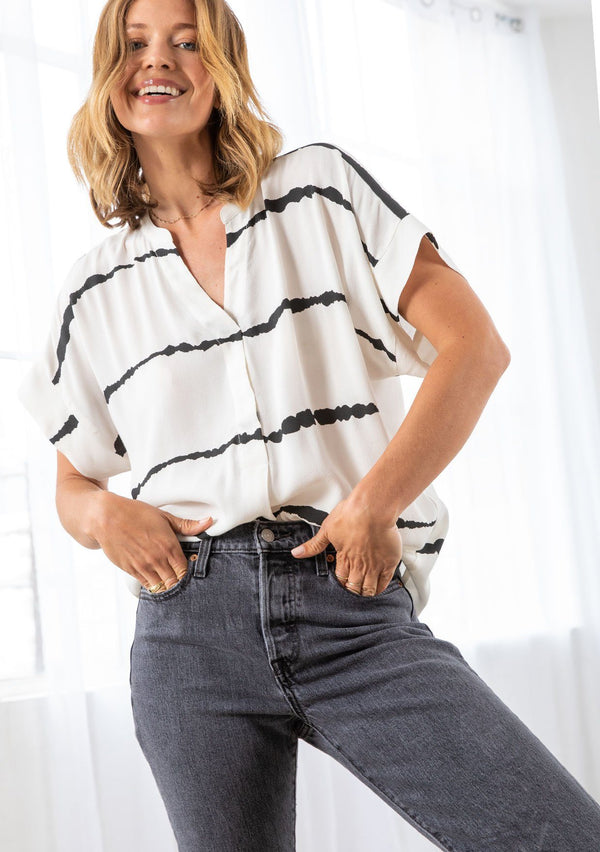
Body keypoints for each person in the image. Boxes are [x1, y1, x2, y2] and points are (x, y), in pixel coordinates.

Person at [16, 0, 600, 849]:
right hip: (189, 633)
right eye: (136, 44)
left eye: (188, 41)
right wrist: (107, 516)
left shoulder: (316, 191)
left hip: (349, 602)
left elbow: (475, 348)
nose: (161, 61)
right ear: (109, 76)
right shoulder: (92, 289)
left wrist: (373, 503)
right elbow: (75, 480)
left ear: (223, 66)